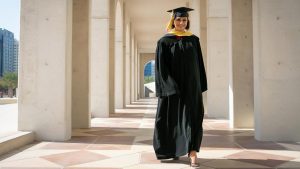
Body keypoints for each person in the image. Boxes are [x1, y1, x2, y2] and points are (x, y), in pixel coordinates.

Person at [153, 7, 207, 167]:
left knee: (193, 118)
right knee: (171, 120)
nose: (181, 22)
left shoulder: (193, 40)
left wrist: (200, 84)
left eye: (184, 20)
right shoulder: (164, 42)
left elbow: (199, 64)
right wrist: (169, 86)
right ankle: (173, 150)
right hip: (173, 89)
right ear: (173, 21)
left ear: (187, 21)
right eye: (178, 20)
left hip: (191, 87)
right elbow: (161, 67)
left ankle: (193, 153)